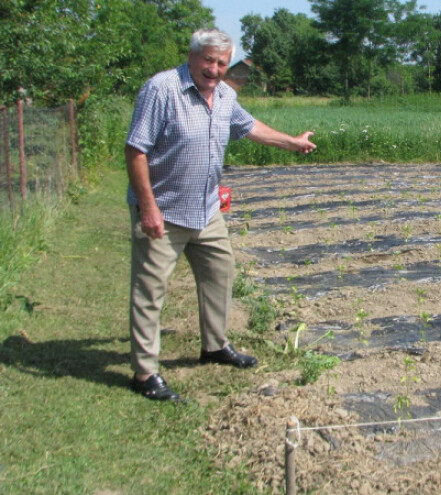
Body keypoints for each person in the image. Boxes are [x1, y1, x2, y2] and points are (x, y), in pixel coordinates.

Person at [126, 29, 316, 401]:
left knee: (220, 274)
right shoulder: (162, 89)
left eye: (221, 63)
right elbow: (136, 150)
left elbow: (250, 128)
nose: (214, 69)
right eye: (208, 61)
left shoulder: (226, 95)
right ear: (192, 57)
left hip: (207, 208)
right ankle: (145, 372)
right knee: (150, 291)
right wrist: (148, 208)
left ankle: (214, 346)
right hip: (164, 211)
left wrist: (291, 142)